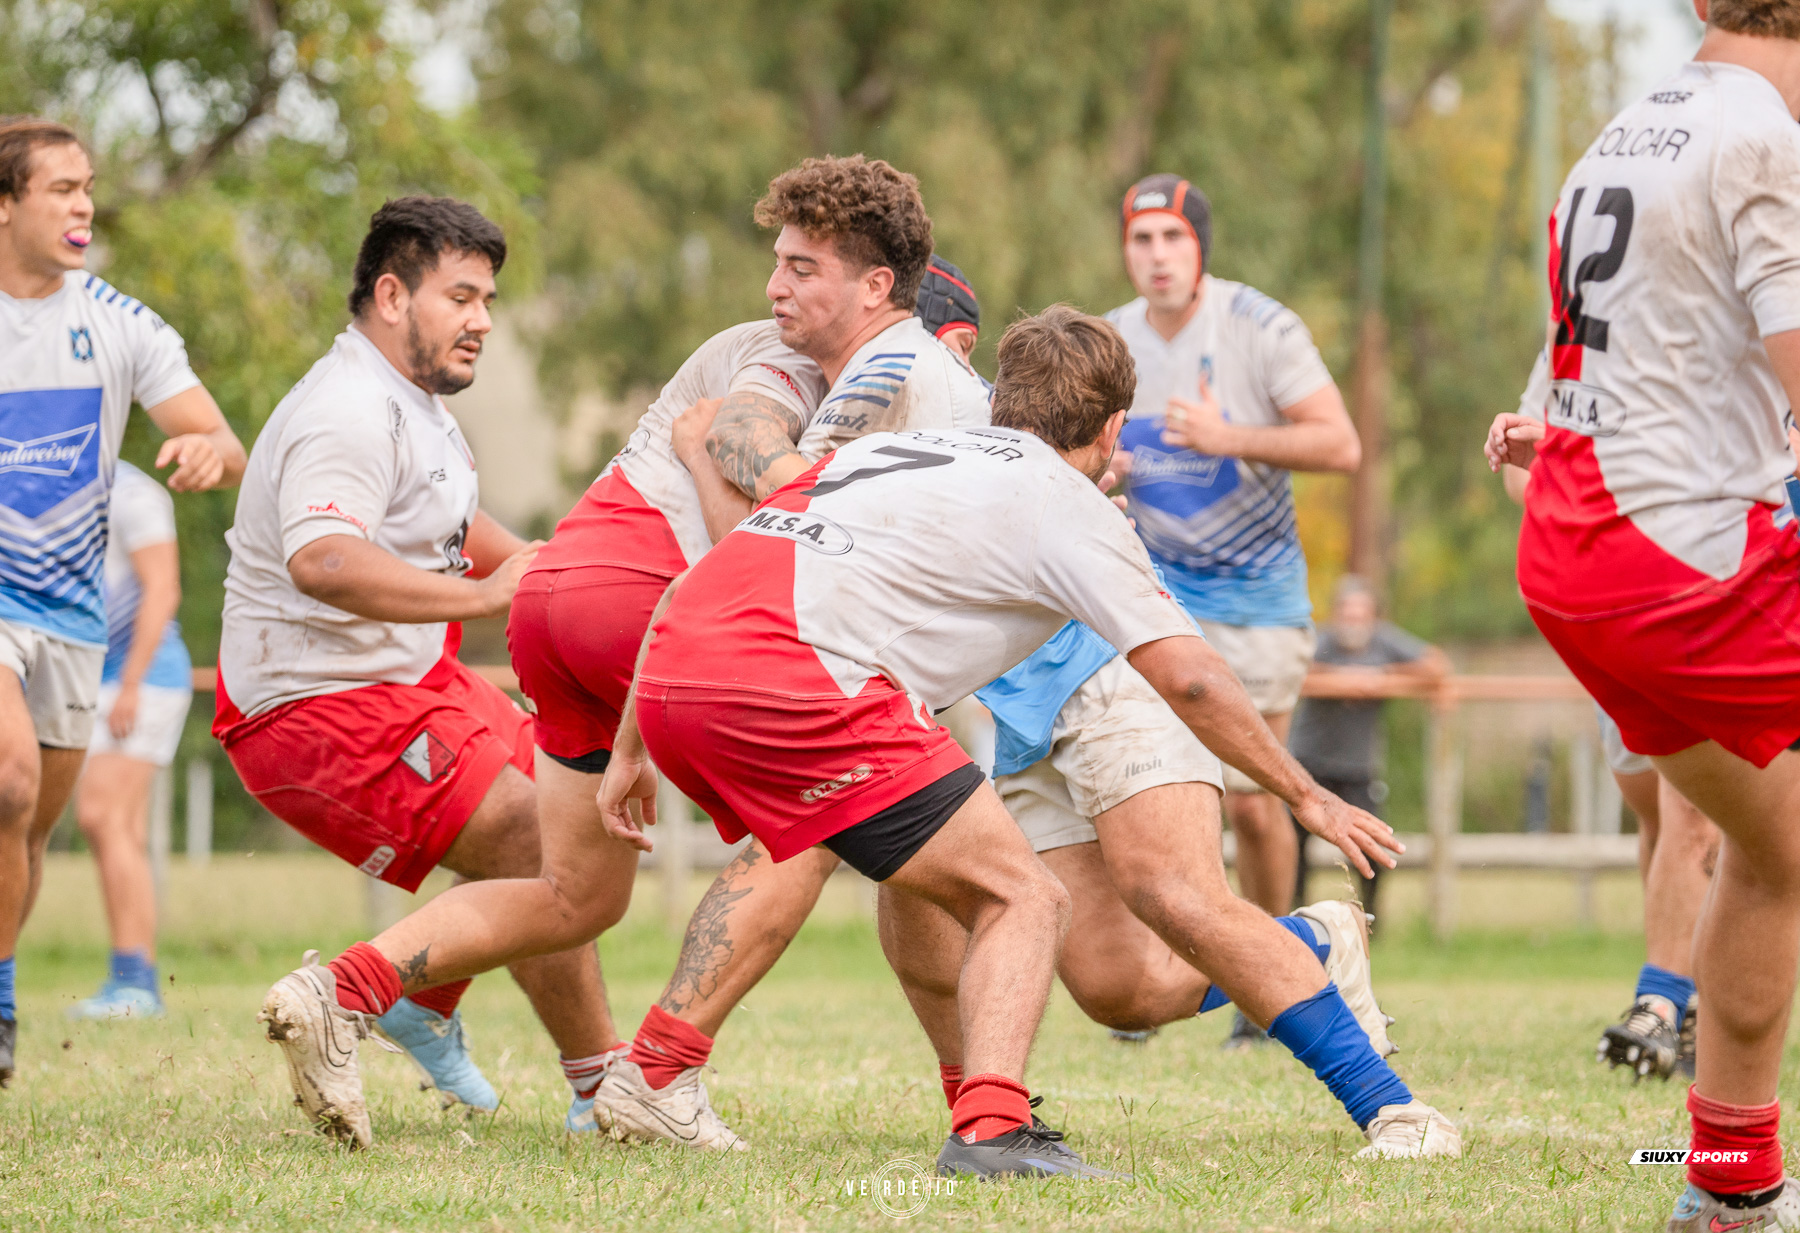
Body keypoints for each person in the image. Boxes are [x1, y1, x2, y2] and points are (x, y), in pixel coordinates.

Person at [595, 305, 1437, 1179]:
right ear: (1113, 429)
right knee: (1021, 896)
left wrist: (631, 746)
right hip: (814, 680)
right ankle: (996, 1125)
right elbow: (1189, 675)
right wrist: (1308, 794)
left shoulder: (882, 454)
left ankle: (675, 1072)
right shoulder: (1060, 498)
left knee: (1107, 970)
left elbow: (706, 577)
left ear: (999, 398)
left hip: (682, 670)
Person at [252, 156, 986, 1150]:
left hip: (559, 601)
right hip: (637, 603)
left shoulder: (854, 372)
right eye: (781, 261)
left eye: (799, 267)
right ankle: (658, 1076)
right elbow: (745, 466)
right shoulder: (788, 361)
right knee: (816, 818)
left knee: (575, 895)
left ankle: (344, 991)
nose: (776, 285)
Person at [1483, 6, 1800, 1224]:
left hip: (1582, 552)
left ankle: (1728, 1186)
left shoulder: (1622, 132)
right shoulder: (1762, 139)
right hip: (1686, 561)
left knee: (1772, 852)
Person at [225, 197, 613, 1148]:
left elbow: (451, 524)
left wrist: (558, 573)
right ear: (393, 295)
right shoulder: (346, 409)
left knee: (575, 804)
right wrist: (485, 600)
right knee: (532, 835)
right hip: (309, 706)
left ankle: (423, 1003)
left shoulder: (416, 404)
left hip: (406, 680)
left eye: (488, 300)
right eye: (461, 296)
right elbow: (323, 558)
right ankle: (606, 1087)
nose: (483, 320)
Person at [0, 116, 245, 1085]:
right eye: (61, 188)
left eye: (89, 187)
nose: (84, 206)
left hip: (68, 618)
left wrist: (207, 451)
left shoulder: (119, 322)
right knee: (9, 780)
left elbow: (221, 438)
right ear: (6, 204)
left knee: (30, 831)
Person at [1105, 173, 1361, 1049]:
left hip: (1256, 598)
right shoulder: (1110, 337)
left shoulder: (1260, 326)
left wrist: (1229, 438)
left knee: (1254, 802)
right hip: (1153, 600)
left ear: (1201, 247)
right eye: (1141, 240)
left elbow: (1340, 443)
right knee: (1148, 783)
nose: (1157, 257)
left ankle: (1273, 979)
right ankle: (1144, 976)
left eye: (1172, 238)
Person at [1503, 353, 1719, 1085]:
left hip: (1710, 592)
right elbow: (1522, 477)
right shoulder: (1576, 333)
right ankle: (1685, 991)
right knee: (1658, 815)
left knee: (1698, 817)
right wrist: (1551, 465)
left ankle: (1665, 999)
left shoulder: (1736, 317)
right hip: (1615, 605)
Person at [67, 461, 194, 1019]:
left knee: (100, 817)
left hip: (143, 679)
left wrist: (131, 684)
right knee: (123, 830)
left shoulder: (134, 492)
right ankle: (135, 981)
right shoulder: (61, 485)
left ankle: (134, 982)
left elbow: (163, 589)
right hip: (102, 678)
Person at [1286, 575, 1448, 921]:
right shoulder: (1321, 640)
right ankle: (1293, 916)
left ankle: (1370, 918)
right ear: (1336, 614)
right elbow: (1289, 669)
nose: (1353, 622)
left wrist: (1383, 676)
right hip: (1309, 762)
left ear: (1374, 618)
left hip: (1358, 767)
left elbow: (1436, 664)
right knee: (1292, 845)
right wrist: (1342, 679)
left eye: (1361, 615)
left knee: (1372, 844)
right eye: (1347, 614)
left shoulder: (1384, 642)